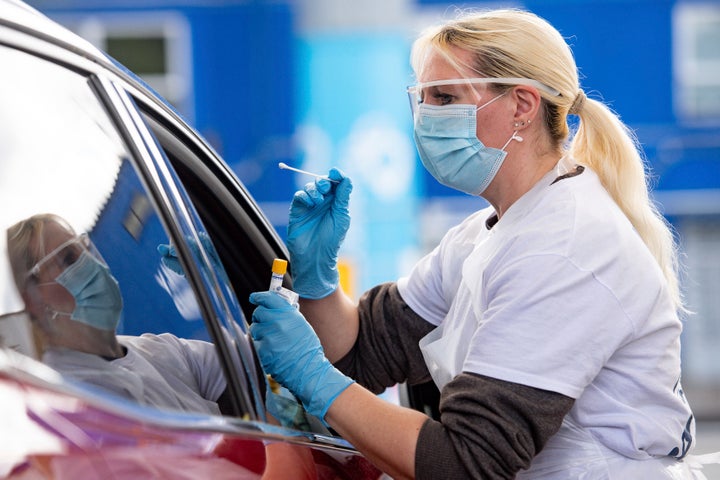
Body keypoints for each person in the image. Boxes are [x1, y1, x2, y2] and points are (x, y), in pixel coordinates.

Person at [248, 8, 703, 479]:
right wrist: (319, 277)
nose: (426, 119)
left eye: (445, 98)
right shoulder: (485, 234)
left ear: (522, 106)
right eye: (423, 100)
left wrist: (314, 379)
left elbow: (467, 463)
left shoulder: (565, 246)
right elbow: (365, 352)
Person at [7, 213, 230, 415]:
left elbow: (253, 366)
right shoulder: (65, 402)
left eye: (84, 247)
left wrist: (224, 281)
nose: (92, 263)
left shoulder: (160, 350)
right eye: (68, 258)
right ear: (32, 299)